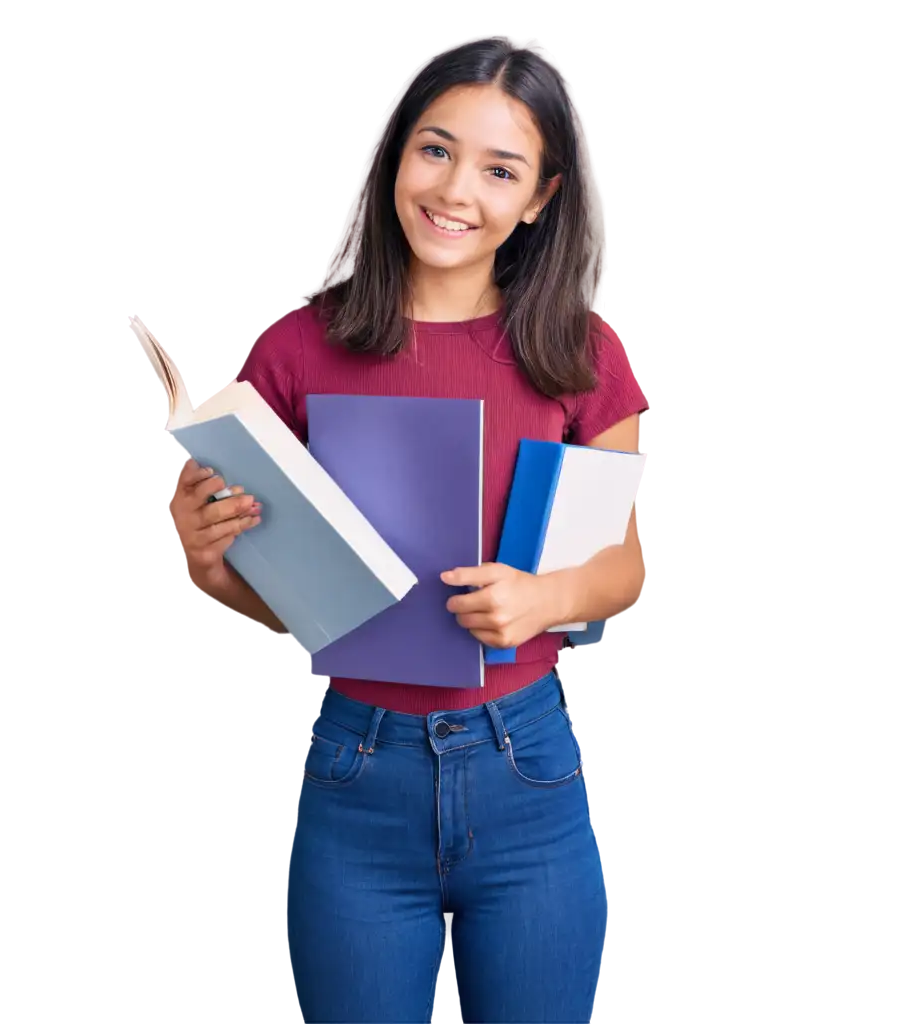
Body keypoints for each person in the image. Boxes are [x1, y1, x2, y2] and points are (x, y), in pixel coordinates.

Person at [165, 36, 650, 1024]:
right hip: (357, 777)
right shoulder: (301, 342)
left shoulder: (577, 352)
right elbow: (264, 589)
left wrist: (545, 597)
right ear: (394, 154)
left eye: (498, 169)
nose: (455, 189)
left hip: (528, 771)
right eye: (435, 149)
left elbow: (623, 565)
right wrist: (200, 555)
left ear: (540, 198)